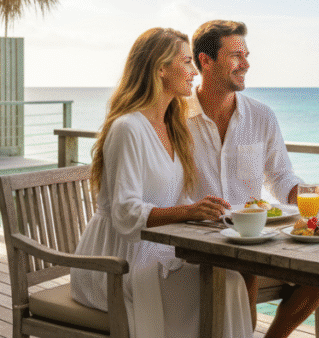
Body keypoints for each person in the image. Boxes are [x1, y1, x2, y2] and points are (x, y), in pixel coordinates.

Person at [70, 27, 252, 338]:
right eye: (185, 62)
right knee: (222, 285)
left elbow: (172, 197)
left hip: (157, 252)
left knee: (229, 279)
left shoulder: (173, 126)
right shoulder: (128, 128)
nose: (194, 71)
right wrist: (189, 212)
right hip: (115, 263)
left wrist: (209, 211)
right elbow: (126, 213)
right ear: (160, 69)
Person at [187, 20, 319, 338]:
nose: (246, 64)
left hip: (256, 233)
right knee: (243, 271)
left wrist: (306, 192)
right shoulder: (176, 118)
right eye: (235, 56)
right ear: (205, 61)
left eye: (246, 55)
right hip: (197, 239)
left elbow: (279, 174)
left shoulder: (262, 116)